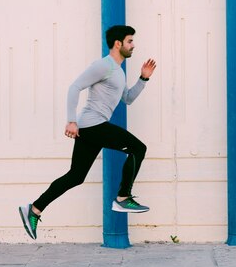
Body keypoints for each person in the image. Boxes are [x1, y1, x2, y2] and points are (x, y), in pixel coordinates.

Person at [19, 25, 157, 240]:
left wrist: (143, 78)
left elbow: (128, 99)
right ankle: (123, 197)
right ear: (118, 43)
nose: (133, 45)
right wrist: (71, 120)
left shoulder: (118, 72)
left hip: (91, 127)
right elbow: (75, 87)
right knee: (138, 148)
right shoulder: (103, 65)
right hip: (92, 125)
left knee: (76, 176)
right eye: (130, 41)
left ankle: (34, 209)